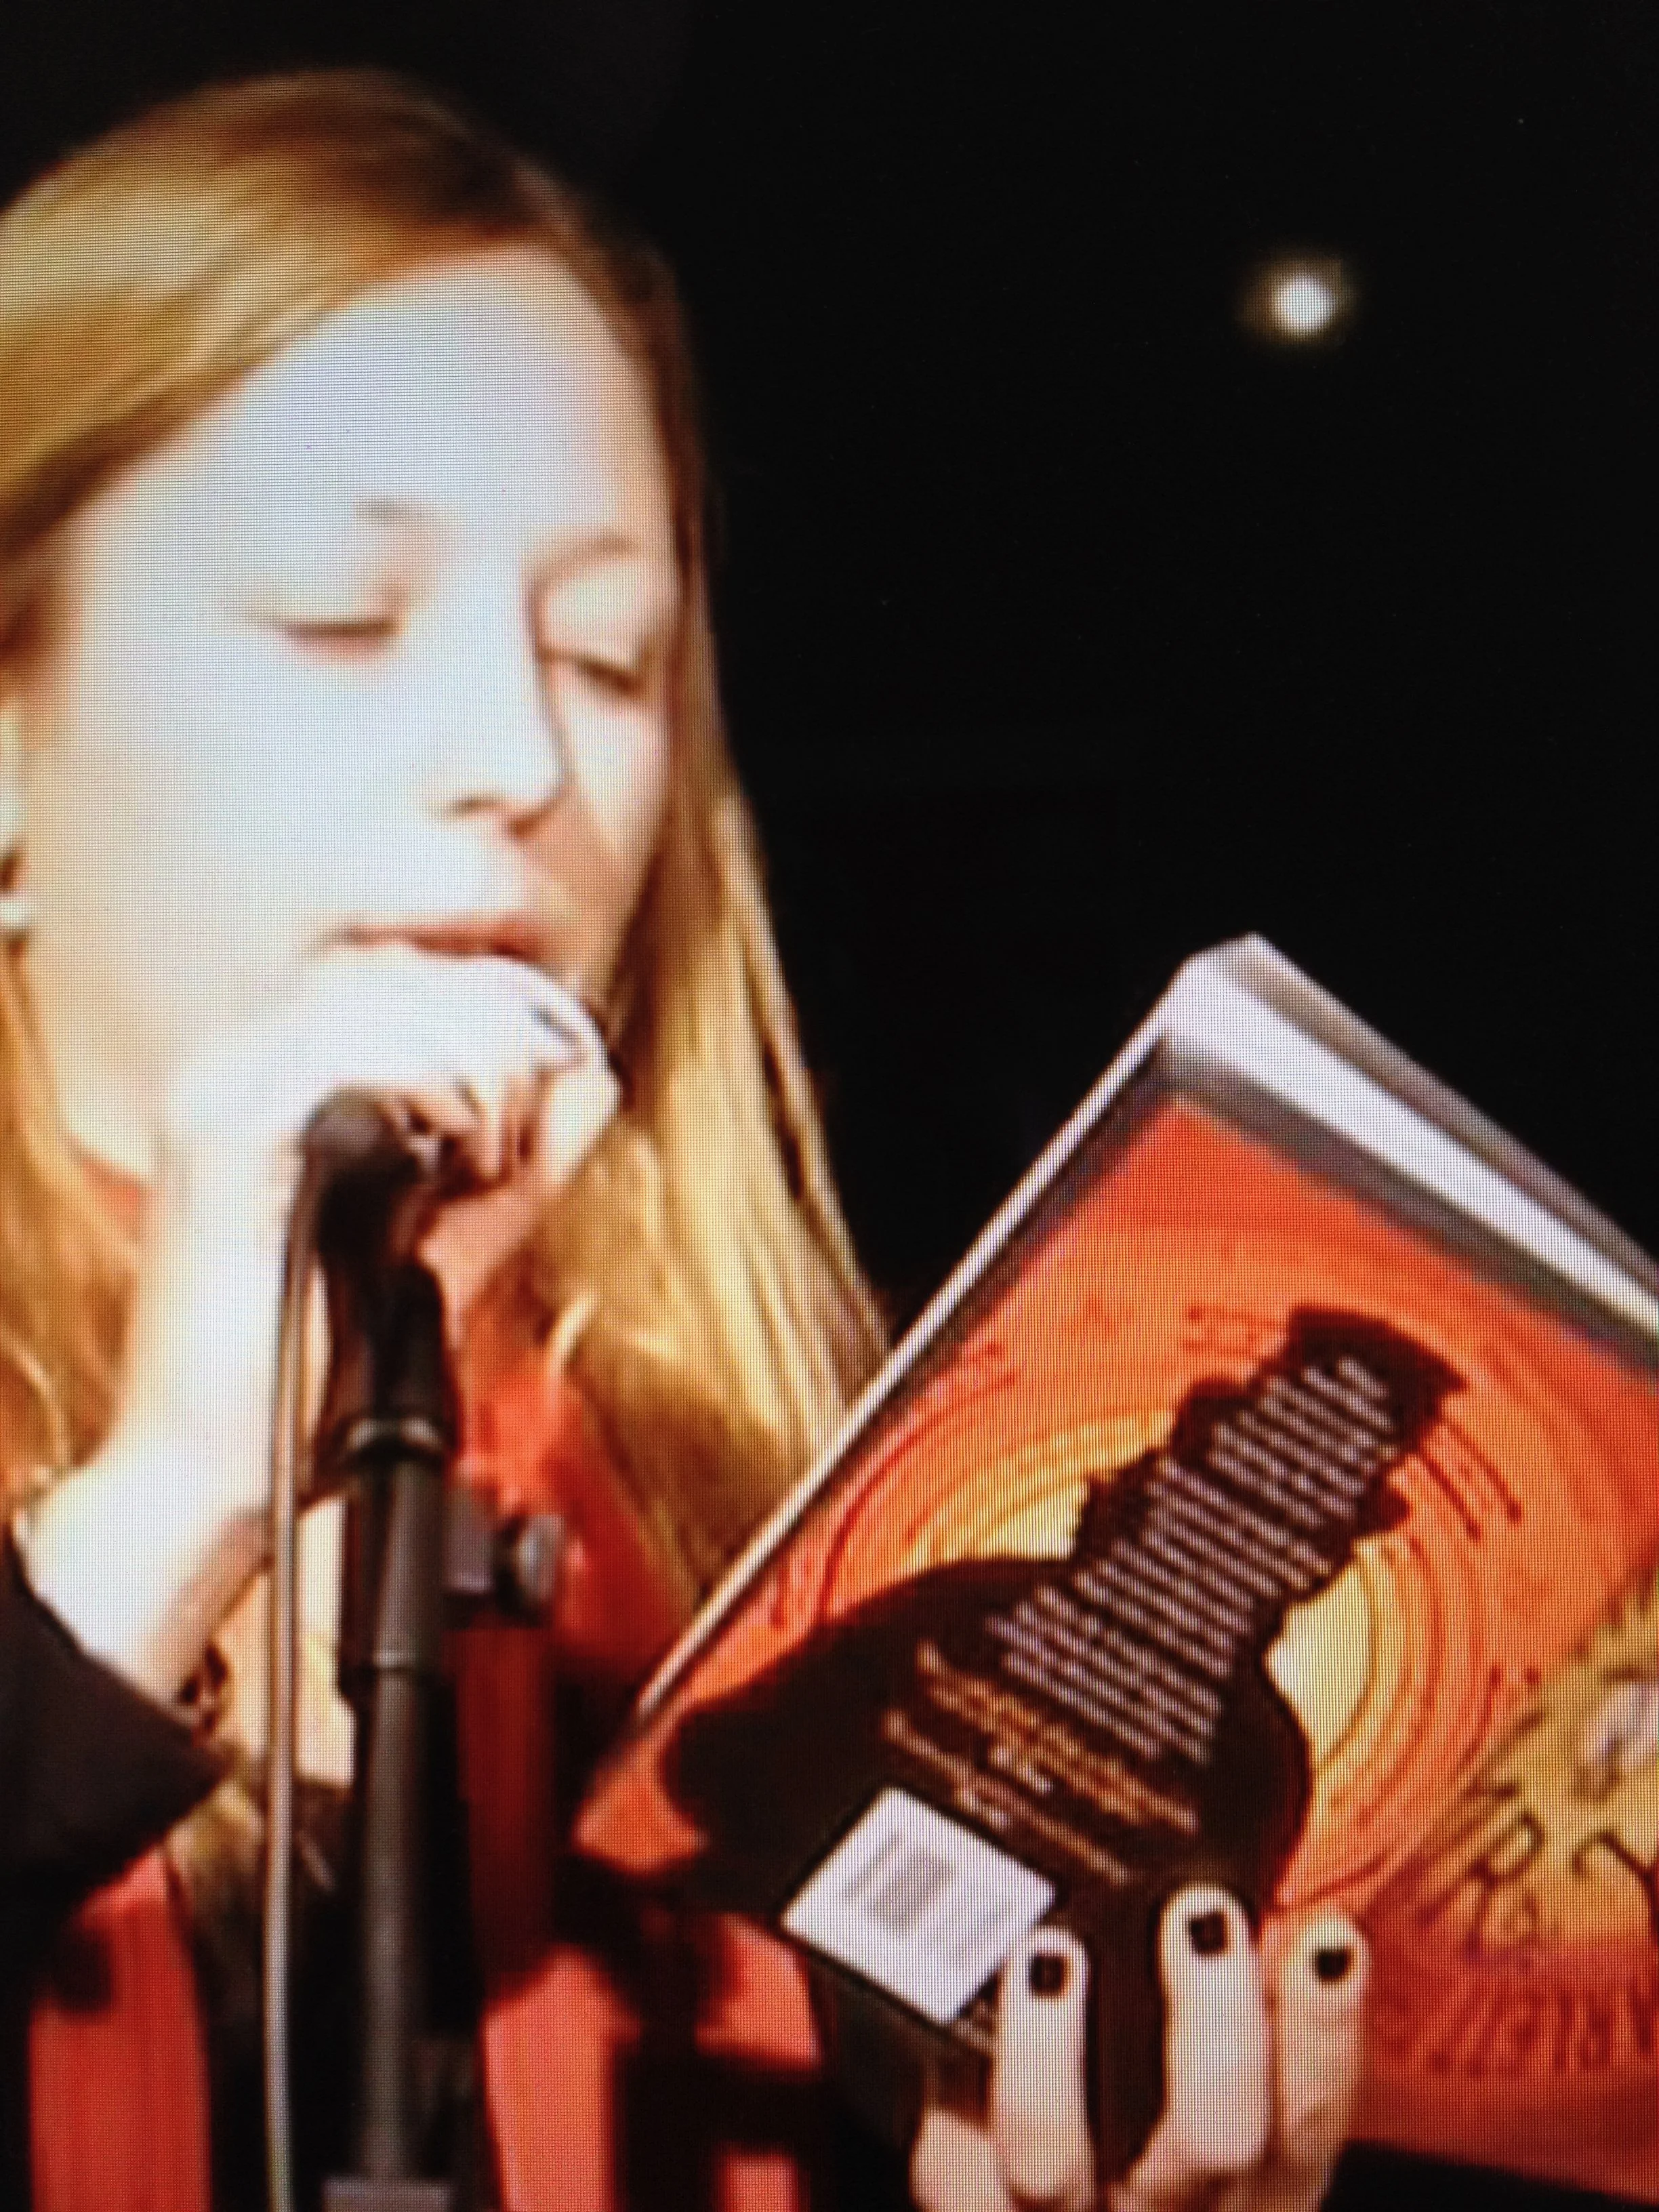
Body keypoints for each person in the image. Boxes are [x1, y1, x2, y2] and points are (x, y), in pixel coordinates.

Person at [0, 69, 1366, 2212]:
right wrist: (170, 1504)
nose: (521, 756)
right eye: (339, 622)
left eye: (610, 655)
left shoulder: (803, 1503)